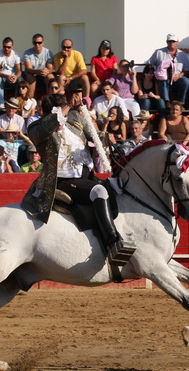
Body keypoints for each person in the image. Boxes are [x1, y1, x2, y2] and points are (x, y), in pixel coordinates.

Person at [23, 93, 135, 266]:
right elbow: (49, 125)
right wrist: (67, 105)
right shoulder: (36, 126)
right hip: (61, 180)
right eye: (63, 111)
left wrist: (106, 137)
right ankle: (112, 243)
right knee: (99, 191)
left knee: (117, 189)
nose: (65, 116)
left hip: (86, 175)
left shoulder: (74, 117)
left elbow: (94, 135)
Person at [145, 33, 189, 106]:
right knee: (162, 78)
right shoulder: (159, 52)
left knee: (185, 81)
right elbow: (148, 64)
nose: (171, 43)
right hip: (162, 79)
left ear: (177, 42)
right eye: (170, 41)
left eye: (173, 41)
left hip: (176, 79)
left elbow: (188, 70)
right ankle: (167, 102)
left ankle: (180, 103)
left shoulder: (183, 54)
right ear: (167, 42)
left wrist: (179, 75)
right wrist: (154, 72)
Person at [0, 37, 22, 110]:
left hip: (13, 77)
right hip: (3, 77)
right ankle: (0, 102)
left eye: (8, 47)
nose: (6, 49)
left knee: (21, 80)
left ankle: (18, 101)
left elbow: (19, 70)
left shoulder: (16, 55)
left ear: (12, 46)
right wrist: (6, 76)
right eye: (4, 47)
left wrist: (16, 77)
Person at [23, 33, 54, 99]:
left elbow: (50, 68)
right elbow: (28, 69)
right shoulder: (27, 53)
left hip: (44, 75)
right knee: (31, 77)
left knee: (50, 76)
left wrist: (46, 71)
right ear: (32, 43)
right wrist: (38, 71)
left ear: (43, 43)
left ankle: (51, 100)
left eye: (39, 42)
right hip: (32, 75)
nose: (37, 44)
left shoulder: (48, 52)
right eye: (35, 42)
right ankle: (31, 102)